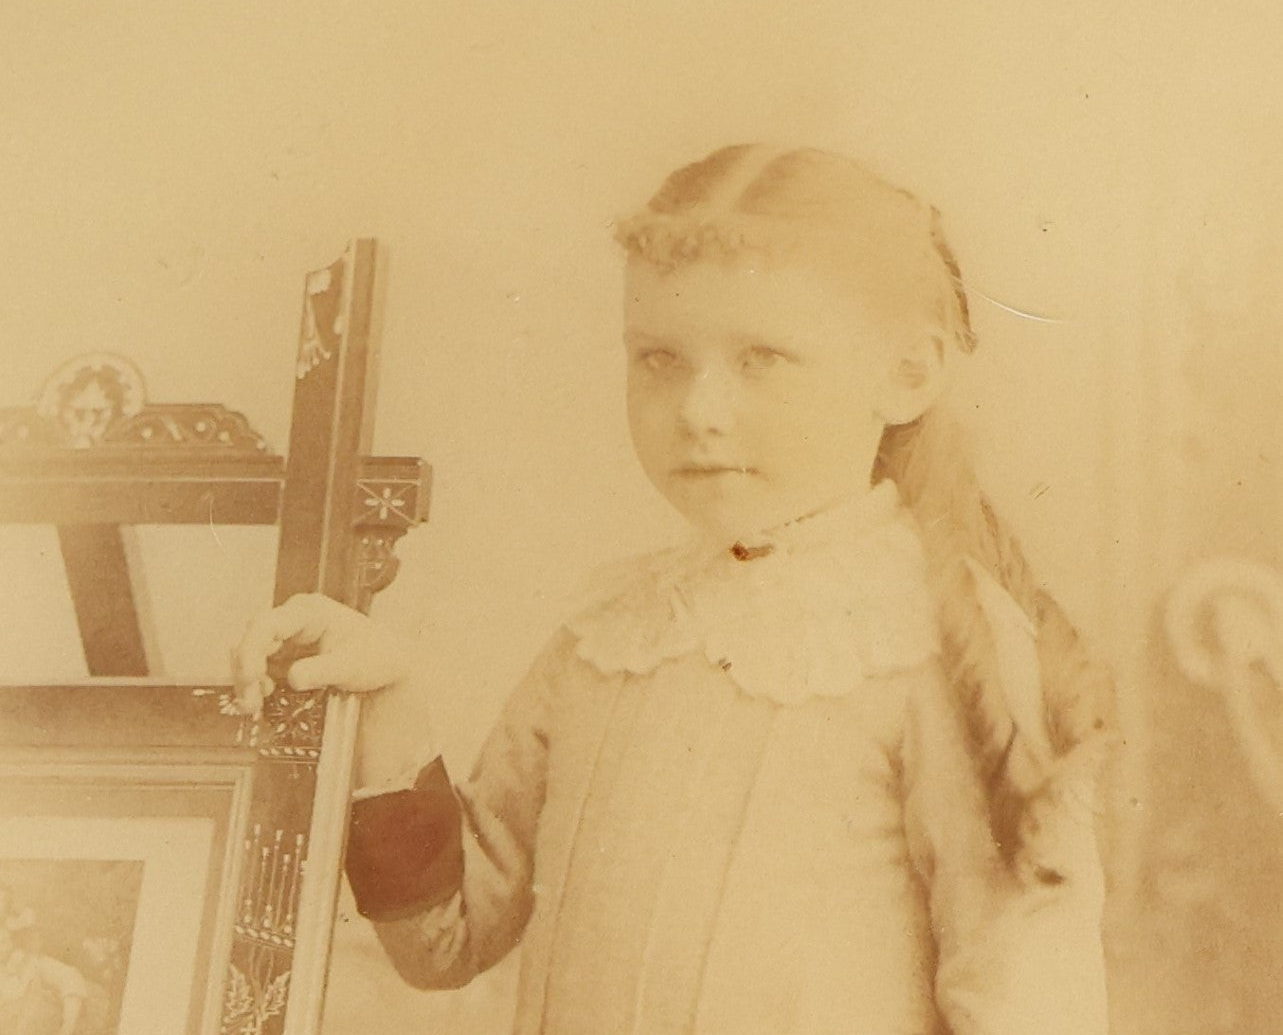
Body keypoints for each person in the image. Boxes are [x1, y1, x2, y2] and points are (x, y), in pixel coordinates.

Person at [234, 144, 1115, 1034]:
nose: (699, 409)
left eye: (761, 358)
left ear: (908, 374)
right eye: (659, 359)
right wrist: (386, 703)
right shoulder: (609, 641)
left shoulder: (934, 643)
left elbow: (1024, 990)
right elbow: (444, 942)